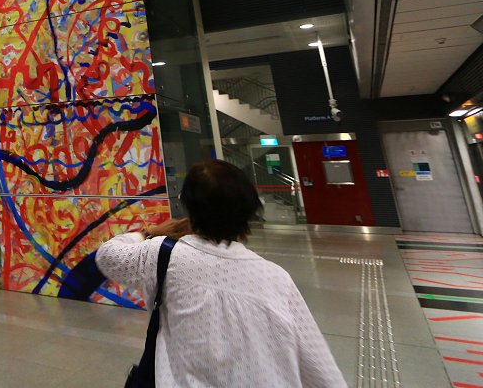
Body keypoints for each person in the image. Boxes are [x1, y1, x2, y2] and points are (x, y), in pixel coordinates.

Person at [96, 160, 345, 387]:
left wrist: (149, 231)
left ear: (190, 208)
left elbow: (108, 256)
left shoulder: (165, 256)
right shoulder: (277, 278)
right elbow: (321, 370)